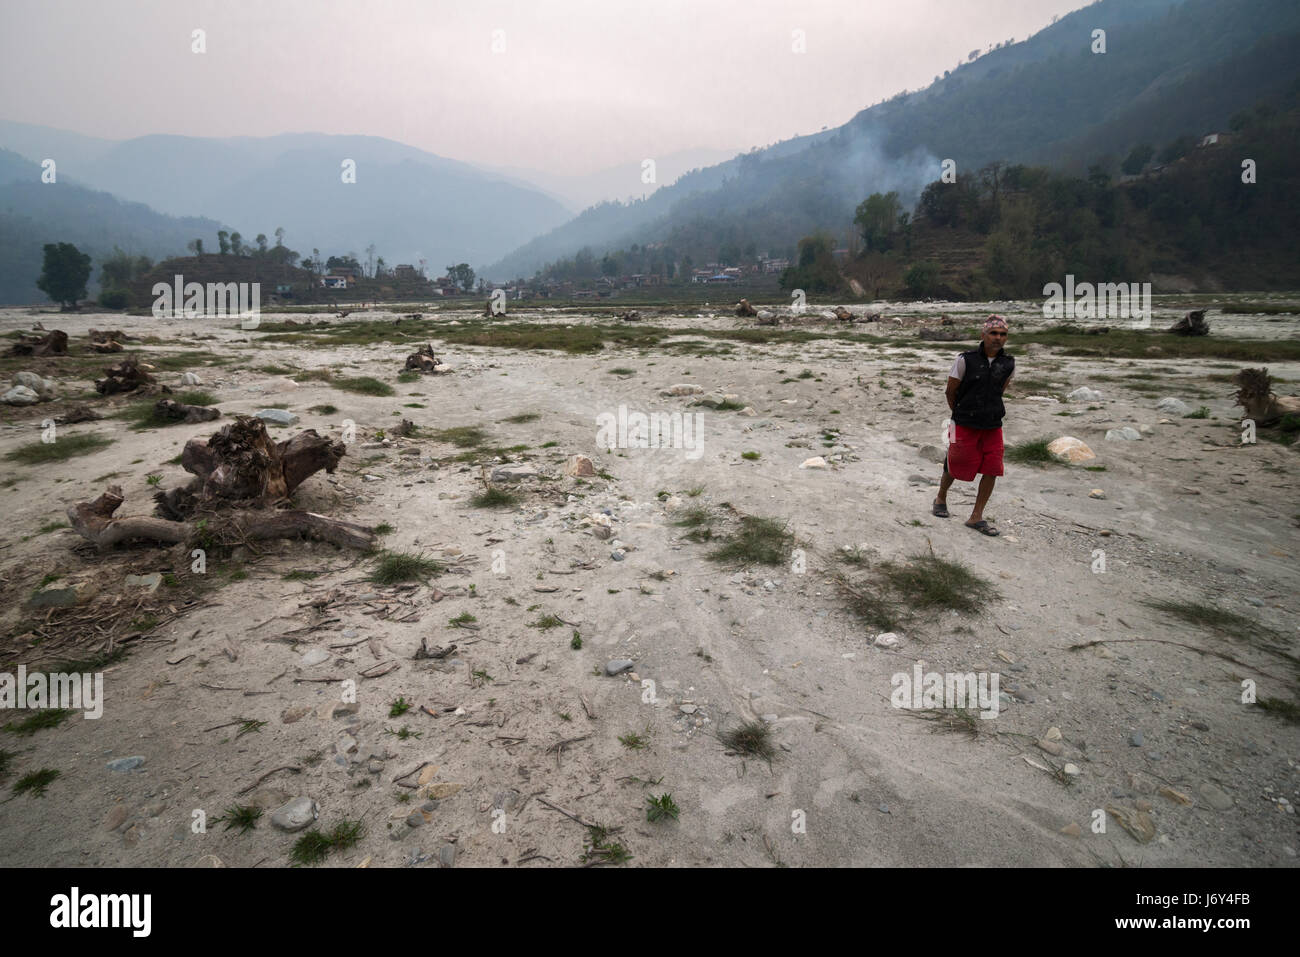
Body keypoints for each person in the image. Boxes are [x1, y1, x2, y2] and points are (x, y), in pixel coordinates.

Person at [932, 315, 1015, 536]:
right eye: (994, 333)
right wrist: (959, 413)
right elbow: (951, 391)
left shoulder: (1008, 364)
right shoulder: (964, 360)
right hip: (963, 422)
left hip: (993, 425)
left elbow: (1000, 391)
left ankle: (976, 516)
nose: (998, 338)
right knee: (955, 461)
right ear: (983, 335)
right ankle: (941, 497)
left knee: (993, 468)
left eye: (1003, 334)